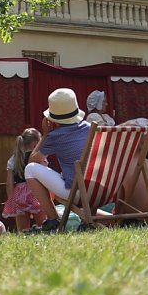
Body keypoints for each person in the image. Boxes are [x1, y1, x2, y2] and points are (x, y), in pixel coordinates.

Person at [24, 88, 91, 232]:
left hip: (76, 191)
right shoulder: (90, 129)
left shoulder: (55, 136)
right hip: (98, 189)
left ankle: (53, 219)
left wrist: (46, 134)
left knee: (29, 170)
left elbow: (32, 161)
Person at [2, 128, 46, 231]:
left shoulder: (13, 159)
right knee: (43, 226)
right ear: (35, 144)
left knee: (23, 230)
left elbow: (9, 184)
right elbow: (45, 178)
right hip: (36, 192)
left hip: (19, 194)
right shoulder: (38, 158)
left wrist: (11, 200)